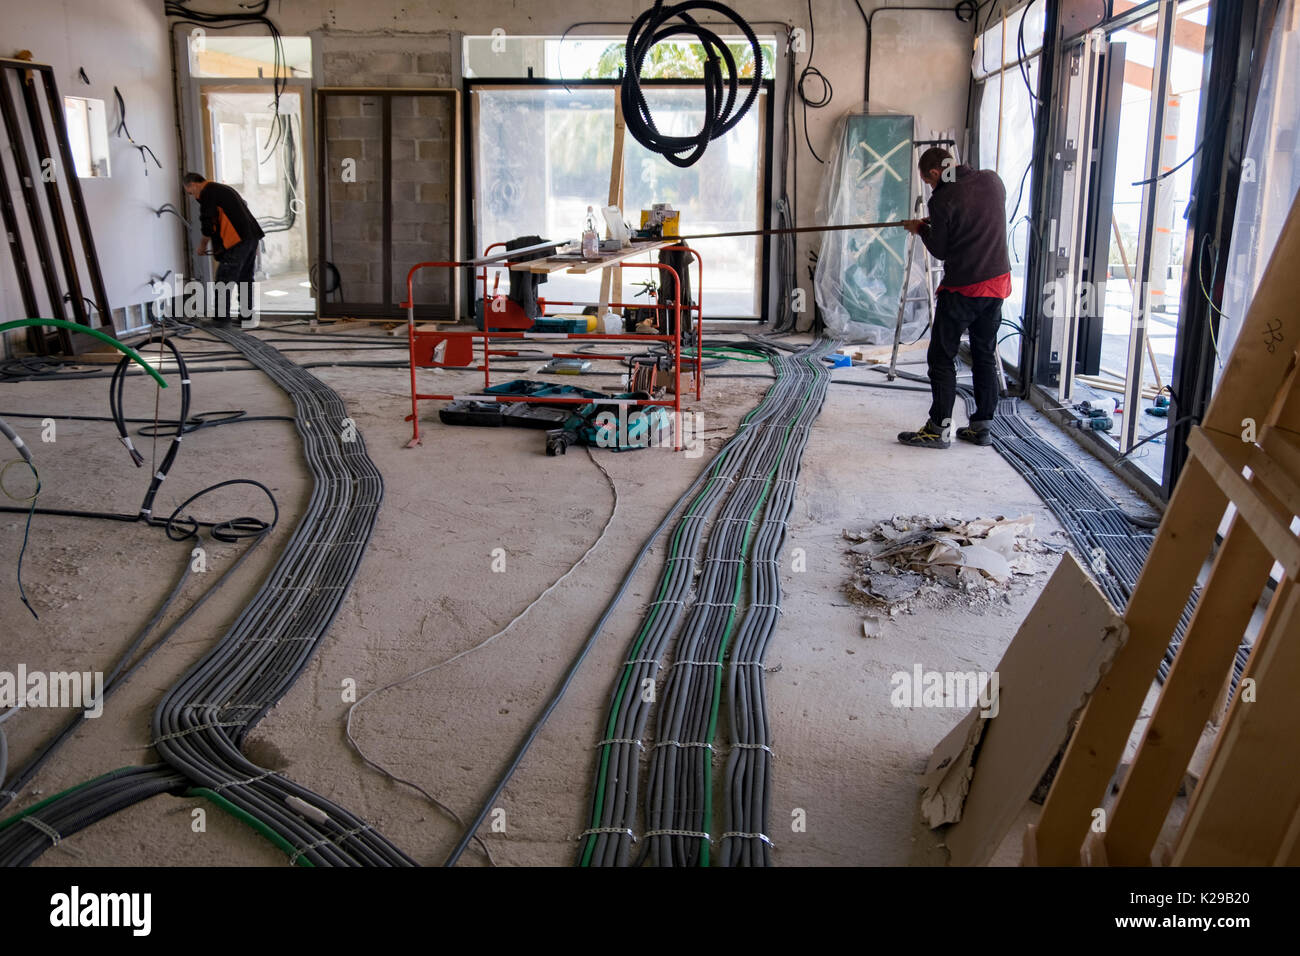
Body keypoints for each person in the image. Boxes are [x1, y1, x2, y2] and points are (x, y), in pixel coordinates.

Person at [896, 148, 1011, 449]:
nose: (931, 187)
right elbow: (975, 219)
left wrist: (921, 228)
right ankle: (981, 427)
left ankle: (938, 429)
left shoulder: (943, 199)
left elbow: (941, 250)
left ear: (935, 173)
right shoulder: (992, 180)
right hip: (997, 284)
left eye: (929, 181)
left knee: (941, 357)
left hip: (964, 288)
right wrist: (938, 221)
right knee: (984, 354)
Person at [182, 172, 265, 324]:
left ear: (193, 184)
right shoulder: (223, 189)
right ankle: (247, 316)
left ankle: (221, 319)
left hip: (238, 240)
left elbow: (209, 225)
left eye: (190, 192)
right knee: (245, 278)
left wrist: (202, 246)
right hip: (251, 236)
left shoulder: (208, 193)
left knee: (224, 278)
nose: (193, 196)